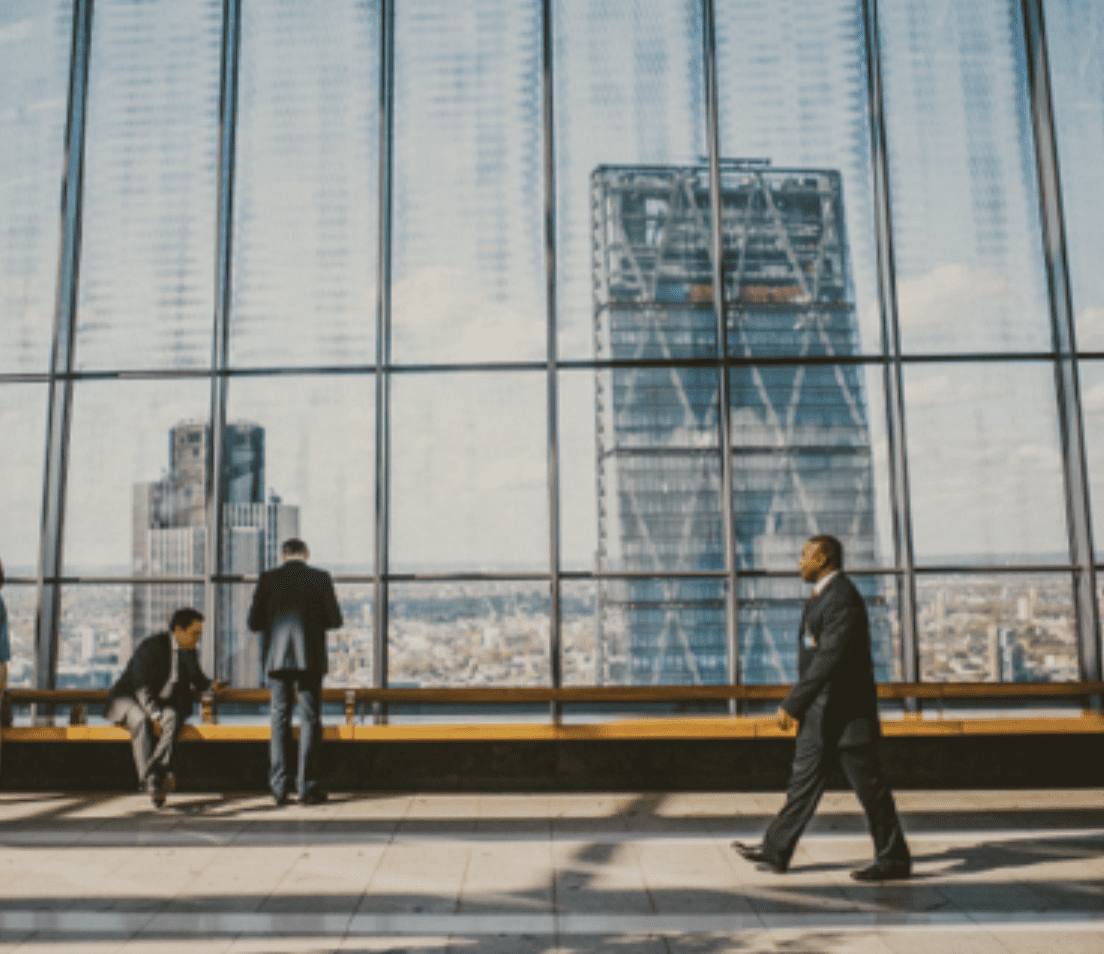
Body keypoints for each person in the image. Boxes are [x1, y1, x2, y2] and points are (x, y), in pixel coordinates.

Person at [734, 534, 912, 881]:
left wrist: (792, 703)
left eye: (806, 555)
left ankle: (894, 859)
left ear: (825, 558)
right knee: (801, 783)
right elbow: (816, 653)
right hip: (820, 713)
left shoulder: (842, 598)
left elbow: (827, 658)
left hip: (846, 715)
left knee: (870, 791)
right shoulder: (822, 596)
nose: (799, 562)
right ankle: (775, 850)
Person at [248, 538, 343, 806]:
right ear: (306, 554)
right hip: (309, 659)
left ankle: (278, 788)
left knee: (278, 719)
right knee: (310, 719)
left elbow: (254, 622)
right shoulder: (320, 578)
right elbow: (334, 620)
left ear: (283, 555)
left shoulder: (268, 579)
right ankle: (307, 788)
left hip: (277, 660)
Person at [106, 607, 223, 808]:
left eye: (199, 634)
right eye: (195, 633)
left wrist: (211, 685)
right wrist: (154, 713)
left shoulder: (189, 651)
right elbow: (141, 686)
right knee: (141, 721)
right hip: (129, 698)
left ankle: (152, 774)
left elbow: (197, 679)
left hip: (160, 702)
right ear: (178, 630)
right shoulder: (151, 647)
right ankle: (153, 782)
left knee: (173, 718)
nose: (198, 639)